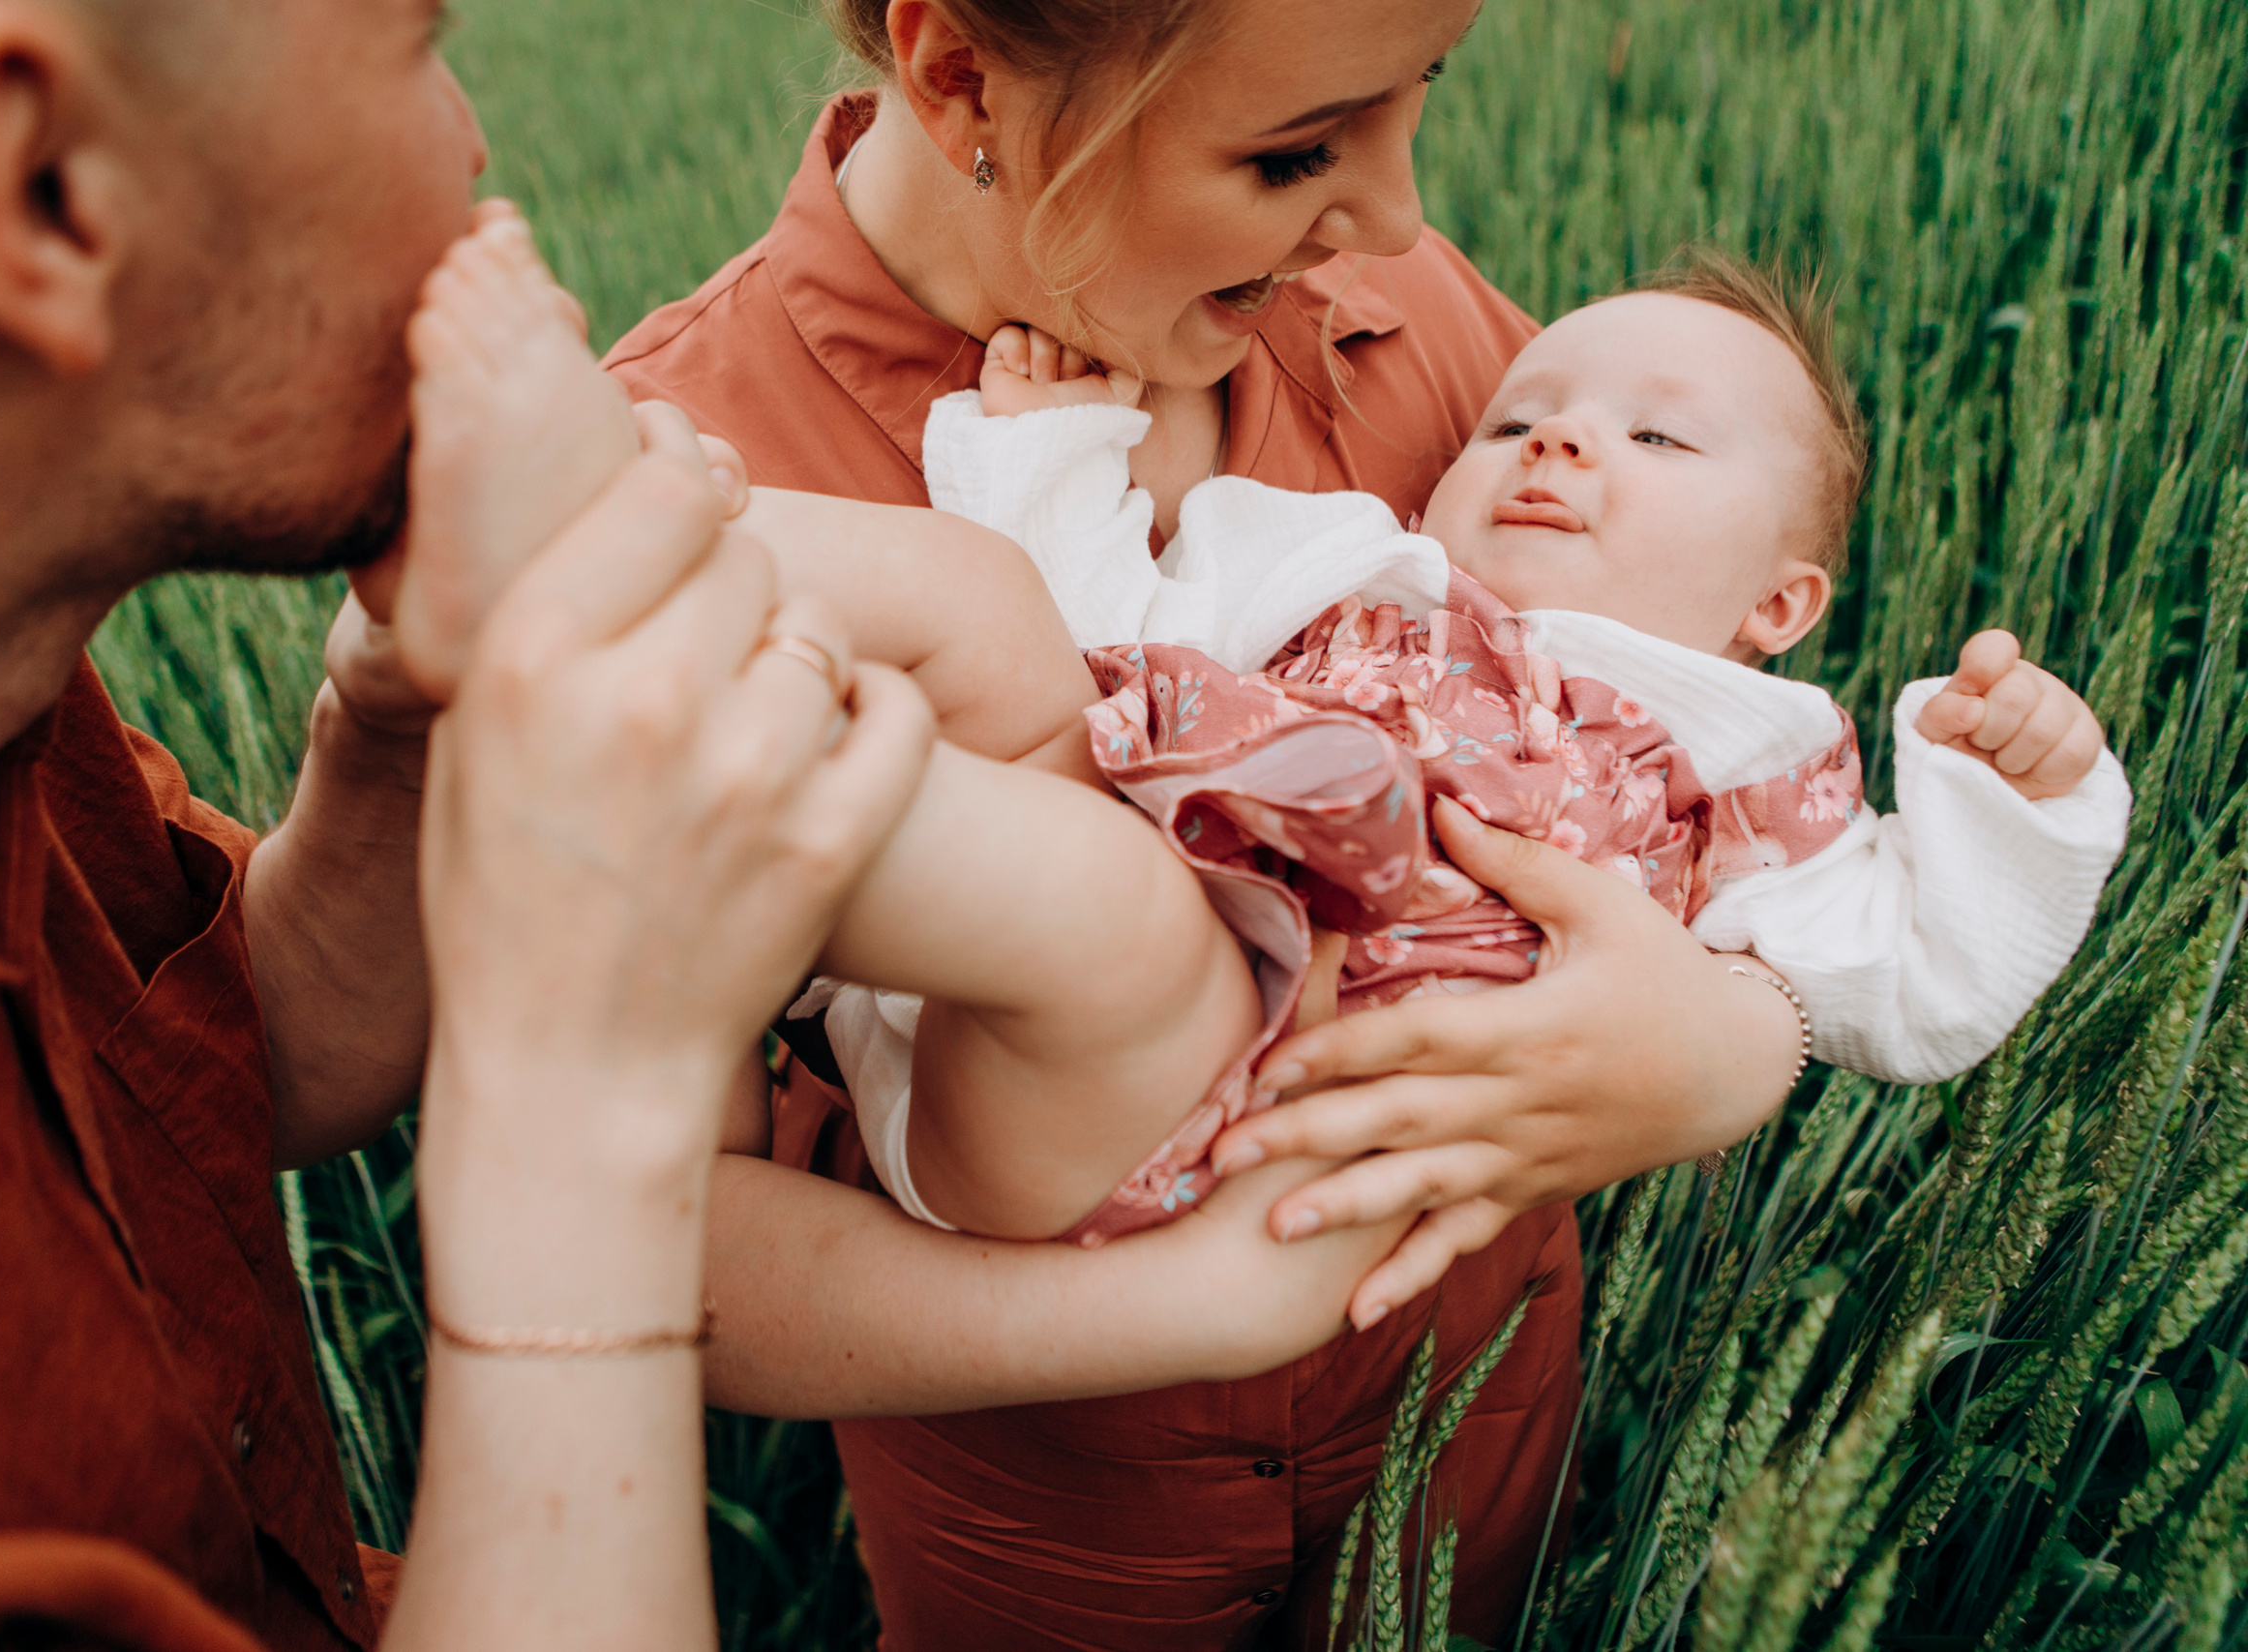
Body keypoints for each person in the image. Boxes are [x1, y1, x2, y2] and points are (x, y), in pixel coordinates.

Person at [596, 1, 1815, 1641]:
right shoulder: (693, 490)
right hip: (1046, 1499)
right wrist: (1178, 1309)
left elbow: (1669, 697)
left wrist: (1742, 1041)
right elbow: (641, 1246)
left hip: (1474, 1382)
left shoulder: (1400, 310)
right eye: (1294, 151)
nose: (1395, 215)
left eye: (1417, 98)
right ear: (958, 77)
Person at [0, 1, 946, 1647]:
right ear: (39, 181)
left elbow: (244, 1055)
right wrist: (580, 1104)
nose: (474, 141)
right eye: (415, 44)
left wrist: (399, 727)